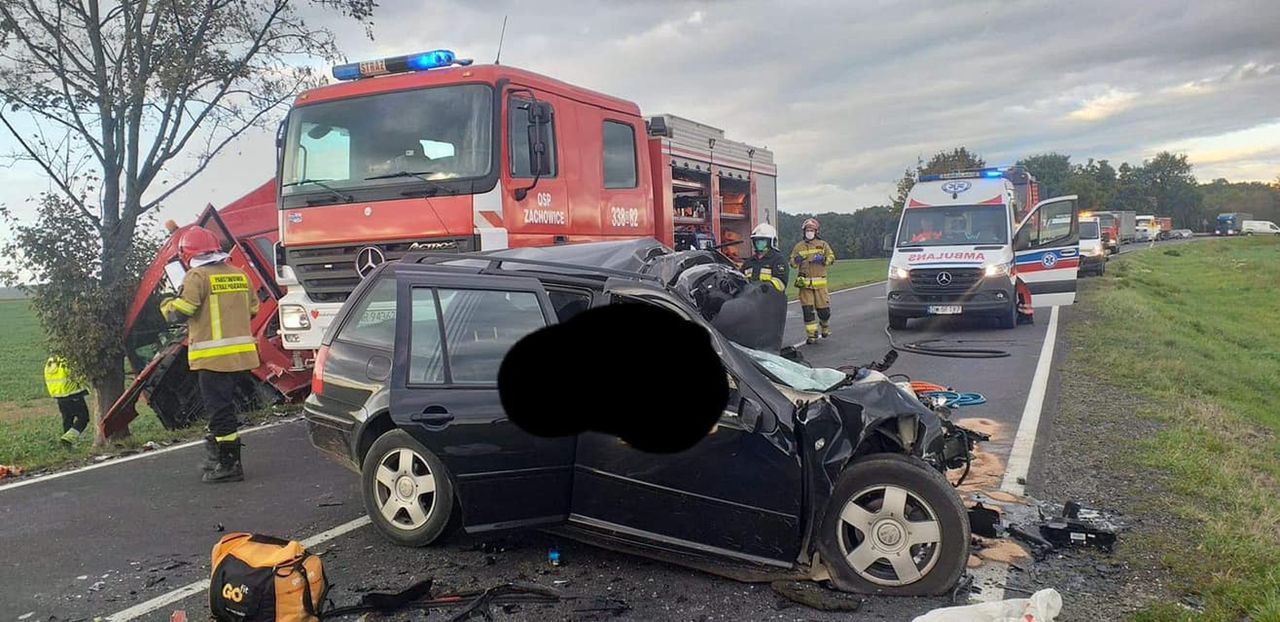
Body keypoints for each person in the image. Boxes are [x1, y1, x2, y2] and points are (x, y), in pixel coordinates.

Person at [160, 226, 260, 483]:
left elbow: (181, 311)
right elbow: (252, 311)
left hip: (214, 358)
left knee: (220, 412)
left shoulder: (197, 276)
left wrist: (166, 304)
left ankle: (229, 464)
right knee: (222, 409)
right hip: (242, 357)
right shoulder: (239, 274)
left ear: (187, 254)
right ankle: (216, 457)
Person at [790, 218, 837, 344]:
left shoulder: (823, 245)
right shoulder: (799, 247)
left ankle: (825, 325)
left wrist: (823, 260)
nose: (809, 232)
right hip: (804, 286)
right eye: (807, 230)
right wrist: (797, 260)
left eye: (811, 230)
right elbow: (792, 263)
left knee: (824, 312)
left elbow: (832, 258)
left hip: (820, 286)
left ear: (816, 231)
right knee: (808, 312)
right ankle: (812, 335)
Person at [44, 356, 89, 446]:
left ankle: (67, 445)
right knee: (83, 418)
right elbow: (77, 375)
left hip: (59, 395)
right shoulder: (69, 360)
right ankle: (67, 439)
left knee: (67, 419)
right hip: (73, 393)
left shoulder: (51, 361)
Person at [740, 223, 789, 295]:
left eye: (763, 240)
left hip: (771, 301)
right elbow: (741, 279)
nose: (759, 243)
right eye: (757, 241)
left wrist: (766, 286)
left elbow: (781, 283)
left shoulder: (778, 260)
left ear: (771, 242)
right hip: (750, 301)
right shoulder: (749, 262)